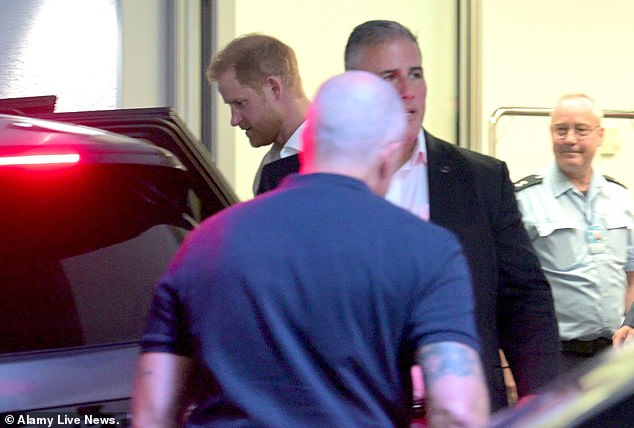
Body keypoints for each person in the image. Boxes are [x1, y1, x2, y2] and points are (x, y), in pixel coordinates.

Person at [131, 71, 490, 428]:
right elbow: (456, 410)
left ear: (312, 140)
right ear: (389, 154)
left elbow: (152, 413)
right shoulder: (427, 250)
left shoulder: (204, 243)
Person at [260, 19, 560, 410]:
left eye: (415, 74)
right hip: (341, 410)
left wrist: (540, 397)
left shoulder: (482, 180)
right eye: (389, 78)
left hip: (456, 412)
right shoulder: (289, 178)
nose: (406, 92)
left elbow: (524, 297)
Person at [515, 93, 634, 371]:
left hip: (614, 355)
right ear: (551, 134)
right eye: (561, 129)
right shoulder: (524, 200)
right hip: (553, 356)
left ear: (600, 135)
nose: (570, 139)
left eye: (581, 129)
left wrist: (630, 324)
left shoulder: (621, 198)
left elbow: (631, 274)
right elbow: (509, 288)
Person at [206, 33, 310, 195]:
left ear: (273, 88)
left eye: (240, 103)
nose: (234, 120)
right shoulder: (270, 165)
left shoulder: (342, 155)